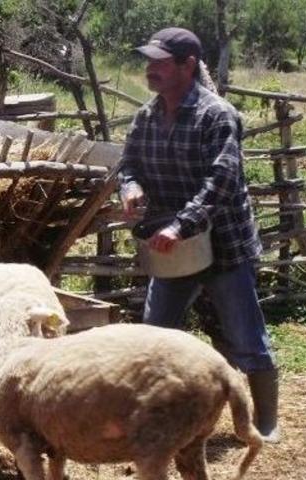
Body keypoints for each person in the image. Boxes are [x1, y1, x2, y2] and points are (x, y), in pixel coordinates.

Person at [119, 27, 279, 442]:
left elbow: (222, 181)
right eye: (149, 61)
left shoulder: (217, 114)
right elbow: (129, 165)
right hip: (173, 247)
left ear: (188, 66)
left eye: (160, 62)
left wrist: (181, 224)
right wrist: (131, 187)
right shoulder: (146, 116)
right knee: (156, 334)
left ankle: (266, 422)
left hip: (223, 242)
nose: (150, 69)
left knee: (246, 334)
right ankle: (153, 418)